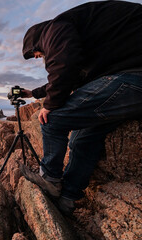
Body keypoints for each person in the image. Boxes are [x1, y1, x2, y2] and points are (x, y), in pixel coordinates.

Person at [19, 0, 142, 216]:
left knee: (51, 117)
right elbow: (73, 75)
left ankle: (50, 180)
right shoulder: (79, 36)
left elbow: (64, 64)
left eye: (35, 54)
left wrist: (49, 106)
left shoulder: (54, 29)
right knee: (83, 139)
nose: (38, 57)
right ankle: (67, 199)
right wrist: (34, 94)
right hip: (127, 81)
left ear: (35, 42)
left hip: (131, 76)